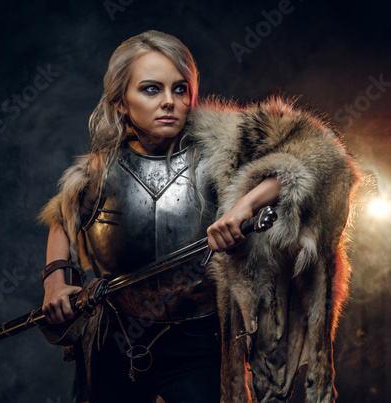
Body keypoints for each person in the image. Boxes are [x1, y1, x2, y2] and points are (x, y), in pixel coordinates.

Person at [39, 31, 358, 403]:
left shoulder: (222, 146)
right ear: (120, 102)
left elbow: (320, 160)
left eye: (180, 89)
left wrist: (245, 204)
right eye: (151, 90)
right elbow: (63, 217)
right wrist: (54, 283)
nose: (169, 102)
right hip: (115, 336)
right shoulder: (99, 170)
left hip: (199, 343)